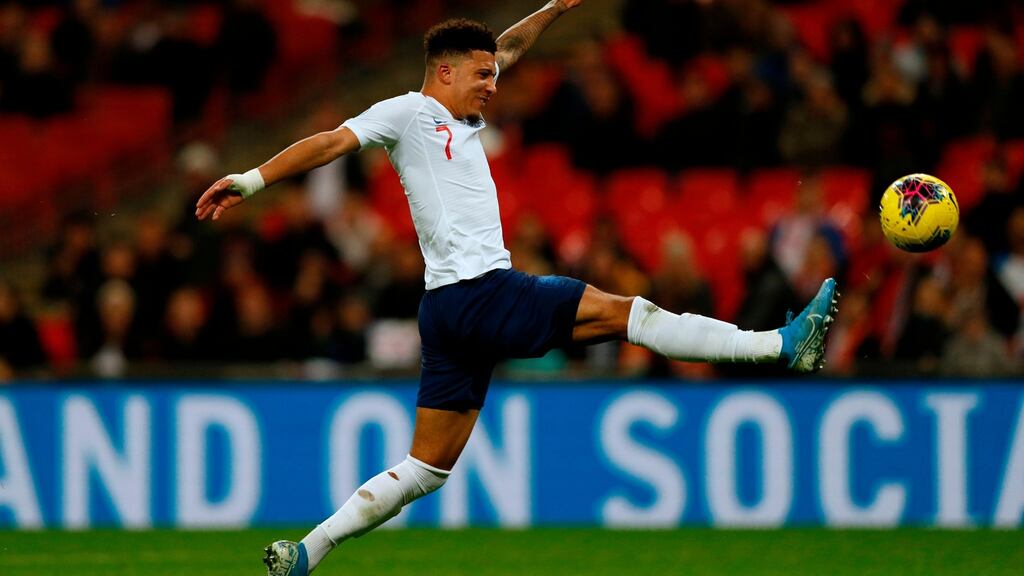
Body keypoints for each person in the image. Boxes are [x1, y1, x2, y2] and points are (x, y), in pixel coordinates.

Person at [196, 3, 840, 575]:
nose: (492, 85)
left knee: (426, 468)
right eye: (481, 75)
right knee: (628, 313)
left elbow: (506, 47)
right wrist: (251, 180)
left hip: (446, 312)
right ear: (443, 71)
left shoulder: (459, 108)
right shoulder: (410, 112)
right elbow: (333, 141)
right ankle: (780, 346)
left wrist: (558, 6)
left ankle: (308, 551)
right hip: (482, 291)